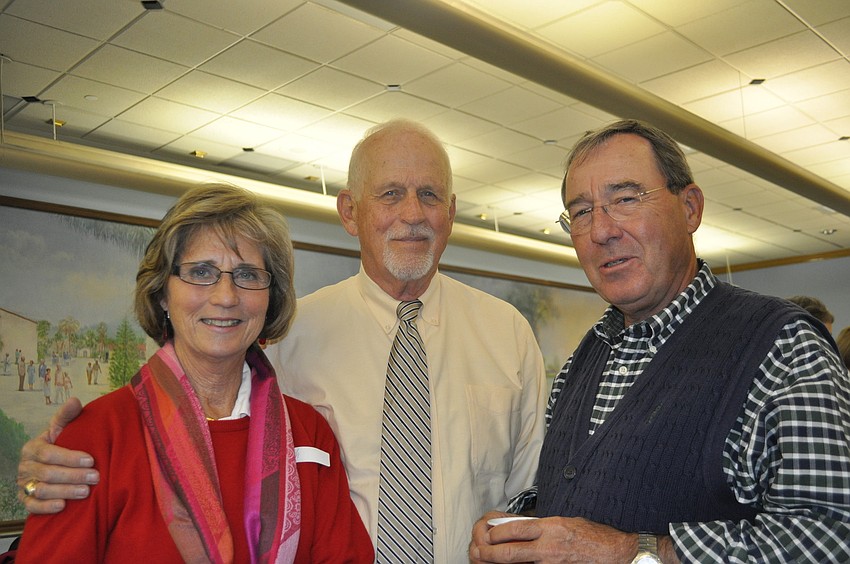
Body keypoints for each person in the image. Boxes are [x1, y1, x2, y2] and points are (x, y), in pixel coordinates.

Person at [16, 119, 547, 562]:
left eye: (428, 194)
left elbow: (533, 496)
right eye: (390, 194)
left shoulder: (508, 336)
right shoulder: (293, 339)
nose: (412, 214)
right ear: (349, 212)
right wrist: (47, 467)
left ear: (451, 211)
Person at [470, 119, 850, 563]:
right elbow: (581, 492)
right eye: (581, 212)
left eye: (626, 199)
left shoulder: (783, 346)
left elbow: (831, 535)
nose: (600, 231)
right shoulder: (585, 358)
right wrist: (521, 526)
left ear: (690, 208)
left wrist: (636, 553)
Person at [16, 184, 373, 562]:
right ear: (162, 294)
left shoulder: (309, 433)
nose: (225, 296)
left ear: (271, 301)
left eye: (248, 275)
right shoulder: (97, 436)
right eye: (201, 271)